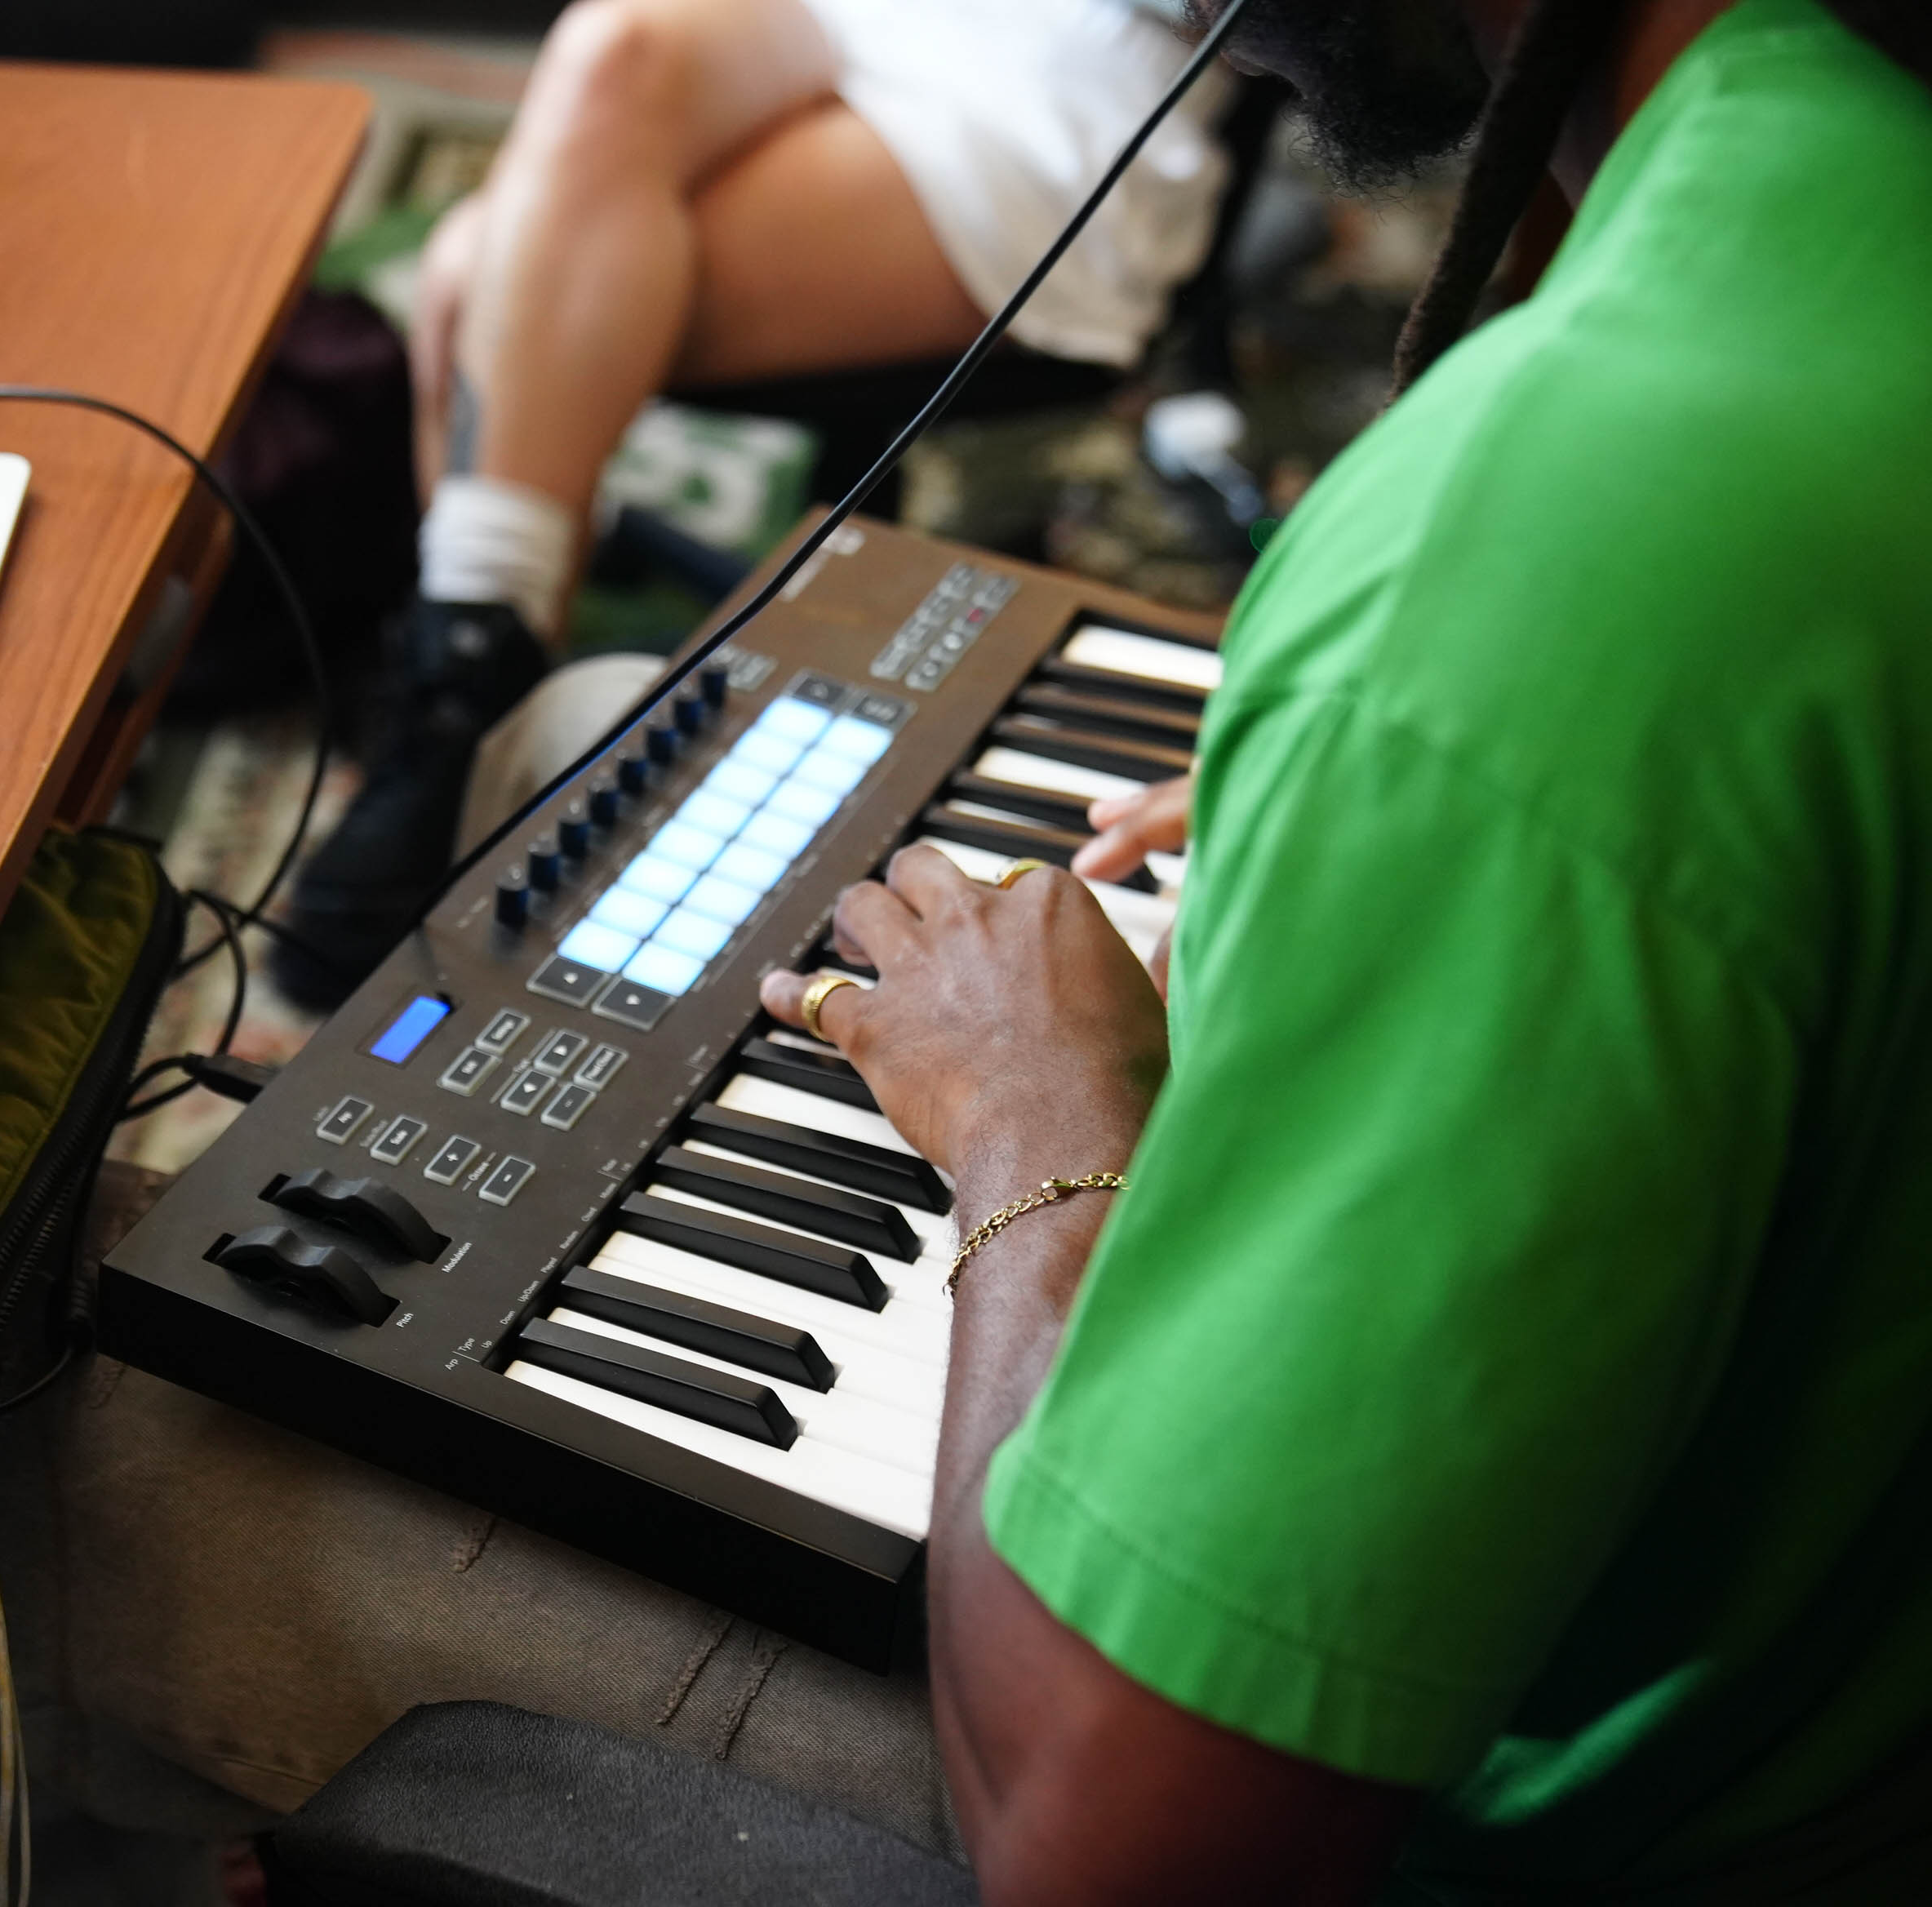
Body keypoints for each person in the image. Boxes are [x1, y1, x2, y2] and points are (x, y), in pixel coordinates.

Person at [743, 0, 1932, 1896]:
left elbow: (1102, 1849)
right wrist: (1442, 830)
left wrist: (1035, 1132)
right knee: (586, 726)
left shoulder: (1557, 549)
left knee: (164, 1477)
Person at [278, 0, 1239, 998]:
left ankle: (467, 687)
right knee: (610, 47)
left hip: (1066, 60)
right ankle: (479, 673)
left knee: (481, 272)